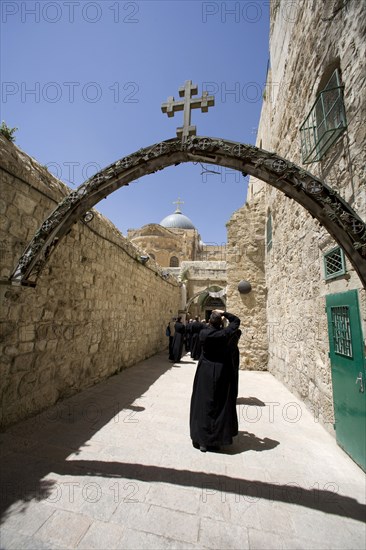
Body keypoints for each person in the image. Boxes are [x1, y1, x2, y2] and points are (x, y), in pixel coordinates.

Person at [190, 309, 240, 452]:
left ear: (210, 321)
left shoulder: (204, 334)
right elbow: (236, 321)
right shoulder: (224, 334)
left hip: (204, 371)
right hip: (220, 371)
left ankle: (202, 441)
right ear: (221, 322)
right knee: (218, 404)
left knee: (203, 404)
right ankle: (215, 440)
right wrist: (224, 313)